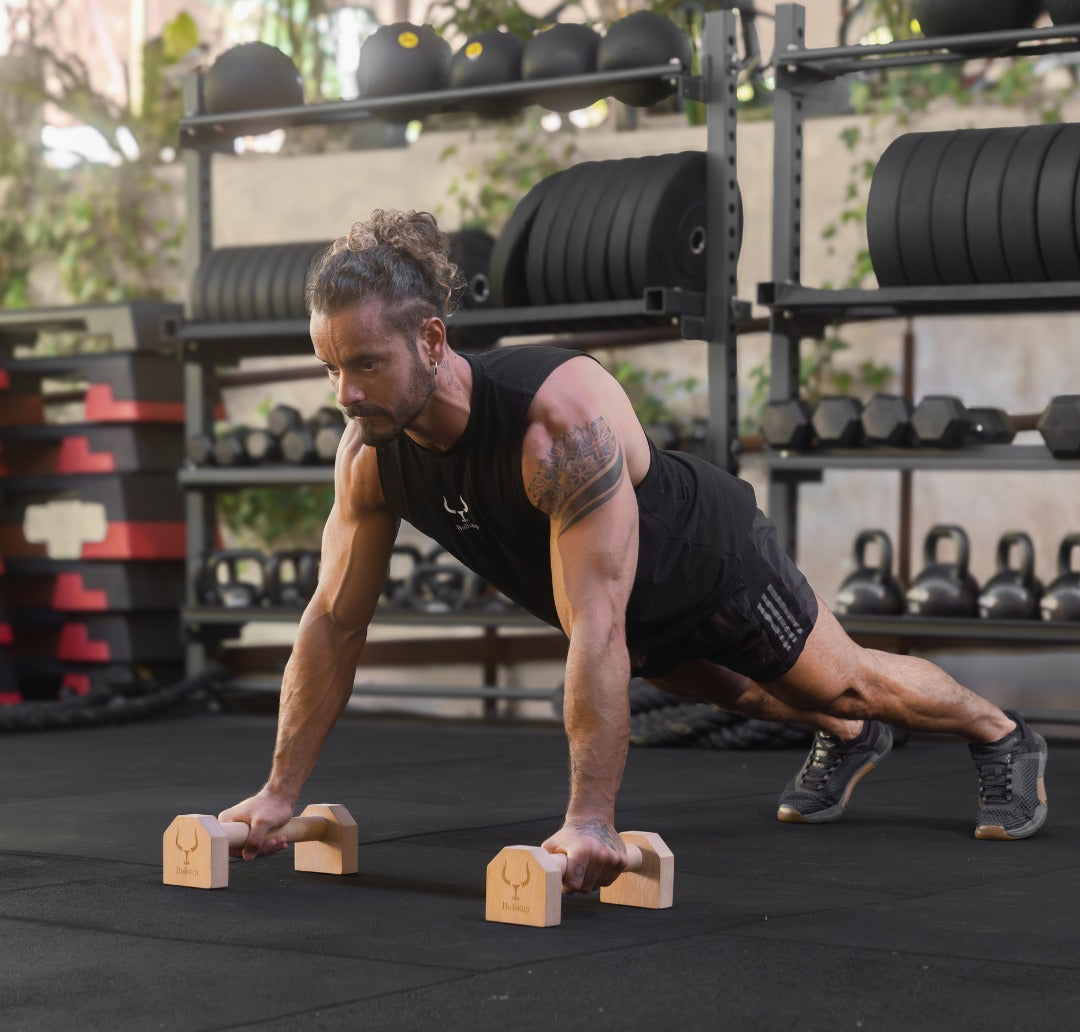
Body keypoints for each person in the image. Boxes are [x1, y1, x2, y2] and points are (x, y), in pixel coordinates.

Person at [220, 209, 1049, 894]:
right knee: (757, 702)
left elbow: (597, 627)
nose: (345, 393)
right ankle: (850, 738)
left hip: (710, 563)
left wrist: (590, 818)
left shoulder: (558, 421)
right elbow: (333, 621)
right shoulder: (368, 454)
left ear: (433, 341)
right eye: (329, 367)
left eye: (365, 363)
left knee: (848, 679)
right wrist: (279, 793)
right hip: (624, 609)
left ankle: (1000, 734)